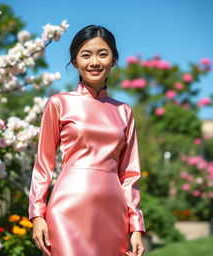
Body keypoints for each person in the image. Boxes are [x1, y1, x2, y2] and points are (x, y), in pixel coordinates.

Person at [28, 24, 146, 256]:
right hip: (67, 209)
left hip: (113, 213)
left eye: (103, 54)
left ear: (113, 60)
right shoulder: (58, 103)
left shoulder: (124, 112)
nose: (94, 62)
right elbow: (43, 165)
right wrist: (37, 214)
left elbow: (130, 175)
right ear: (74, 62)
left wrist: (136, 226)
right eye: (86, 54)